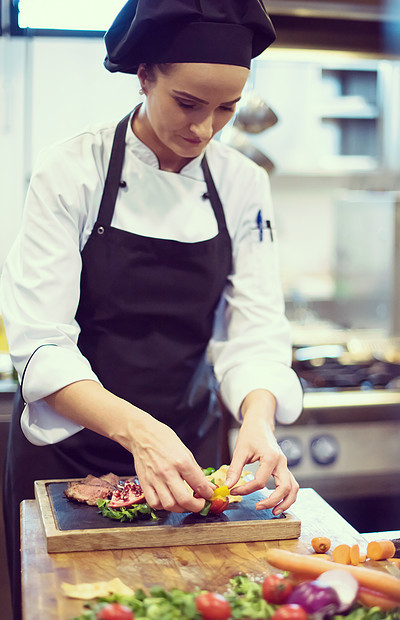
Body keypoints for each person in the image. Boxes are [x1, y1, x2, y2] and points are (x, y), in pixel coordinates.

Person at [1, 0, 303, 618]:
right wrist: (140, 432)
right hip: (69, 456)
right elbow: (39, 343)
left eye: (226, 109)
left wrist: (259, 420)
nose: (204, 130)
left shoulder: (244, 183)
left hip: (188, 459)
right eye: (188, 103)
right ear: (145, 77)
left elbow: (255, 331)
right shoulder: (72, 170)